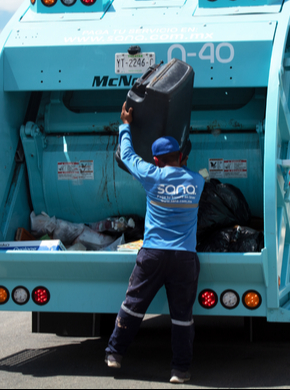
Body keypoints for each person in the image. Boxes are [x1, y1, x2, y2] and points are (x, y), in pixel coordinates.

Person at [105, 102, 205, 384]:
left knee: (134, 305)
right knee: (182, 317)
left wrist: (125, 124)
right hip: (184, 258)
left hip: (153, 254)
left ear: (157, 160)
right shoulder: (196, 182)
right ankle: (180, 370)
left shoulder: (151, 176)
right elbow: (186, 170)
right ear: (180, 157)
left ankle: (114, 353)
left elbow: (126, 155)